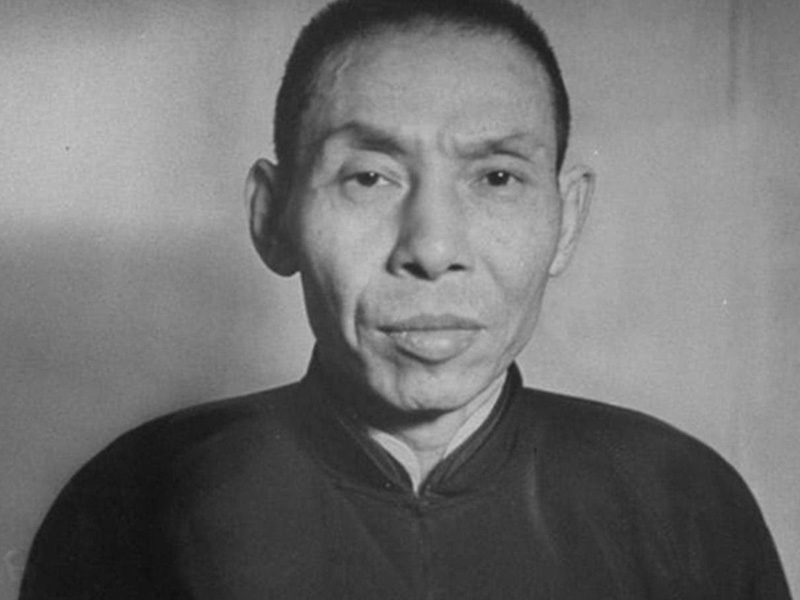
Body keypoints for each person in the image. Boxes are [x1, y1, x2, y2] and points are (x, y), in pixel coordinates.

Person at [20, 0, 791, 598]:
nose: (432, 248)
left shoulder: (681, 503)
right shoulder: (131, 505)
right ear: (272, 216)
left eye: (496, 177)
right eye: (369, 177)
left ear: (566, 220)